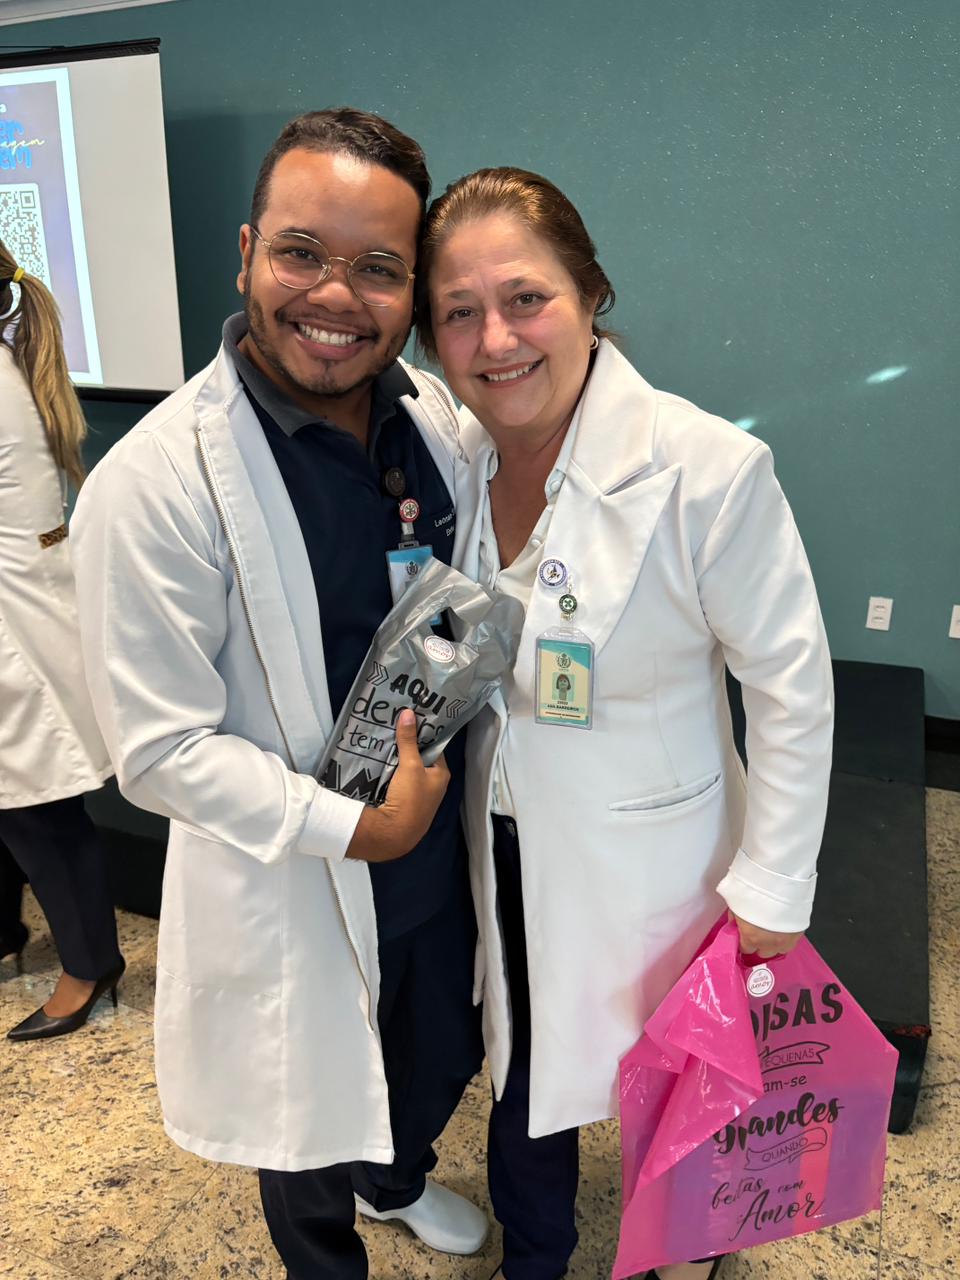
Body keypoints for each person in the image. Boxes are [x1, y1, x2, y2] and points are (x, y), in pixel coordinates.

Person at [71, 110, 486, 1280]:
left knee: (438, 1044)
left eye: (379, 267)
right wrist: (358, 827)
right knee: (301, 1103)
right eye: (303, 251)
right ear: (248, 251)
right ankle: (323, 1248)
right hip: (298, 859)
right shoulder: (157, 482)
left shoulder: (432, 419)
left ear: (412, 289)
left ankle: (395, 1178)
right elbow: (159, 748)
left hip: (434, 837)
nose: (336, 296)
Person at [418, 168, 835, 1280]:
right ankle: (537, 1254)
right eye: (458, 312)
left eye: (526, 298)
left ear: (590, 293)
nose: (495, 338)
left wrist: (774, 883)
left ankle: (684, 1245)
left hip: (662, 861)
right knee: (526, 1069)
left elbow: (791, 683)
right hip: (506, 838)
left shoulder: (705, 468)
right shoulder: (462, 461)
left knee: (675, 1079)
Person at [0, 243, 125, 1040]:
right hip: (25, 606)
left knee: (38, 811)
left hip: (13, 627)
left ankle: (89, 965)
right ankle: (8, 933)